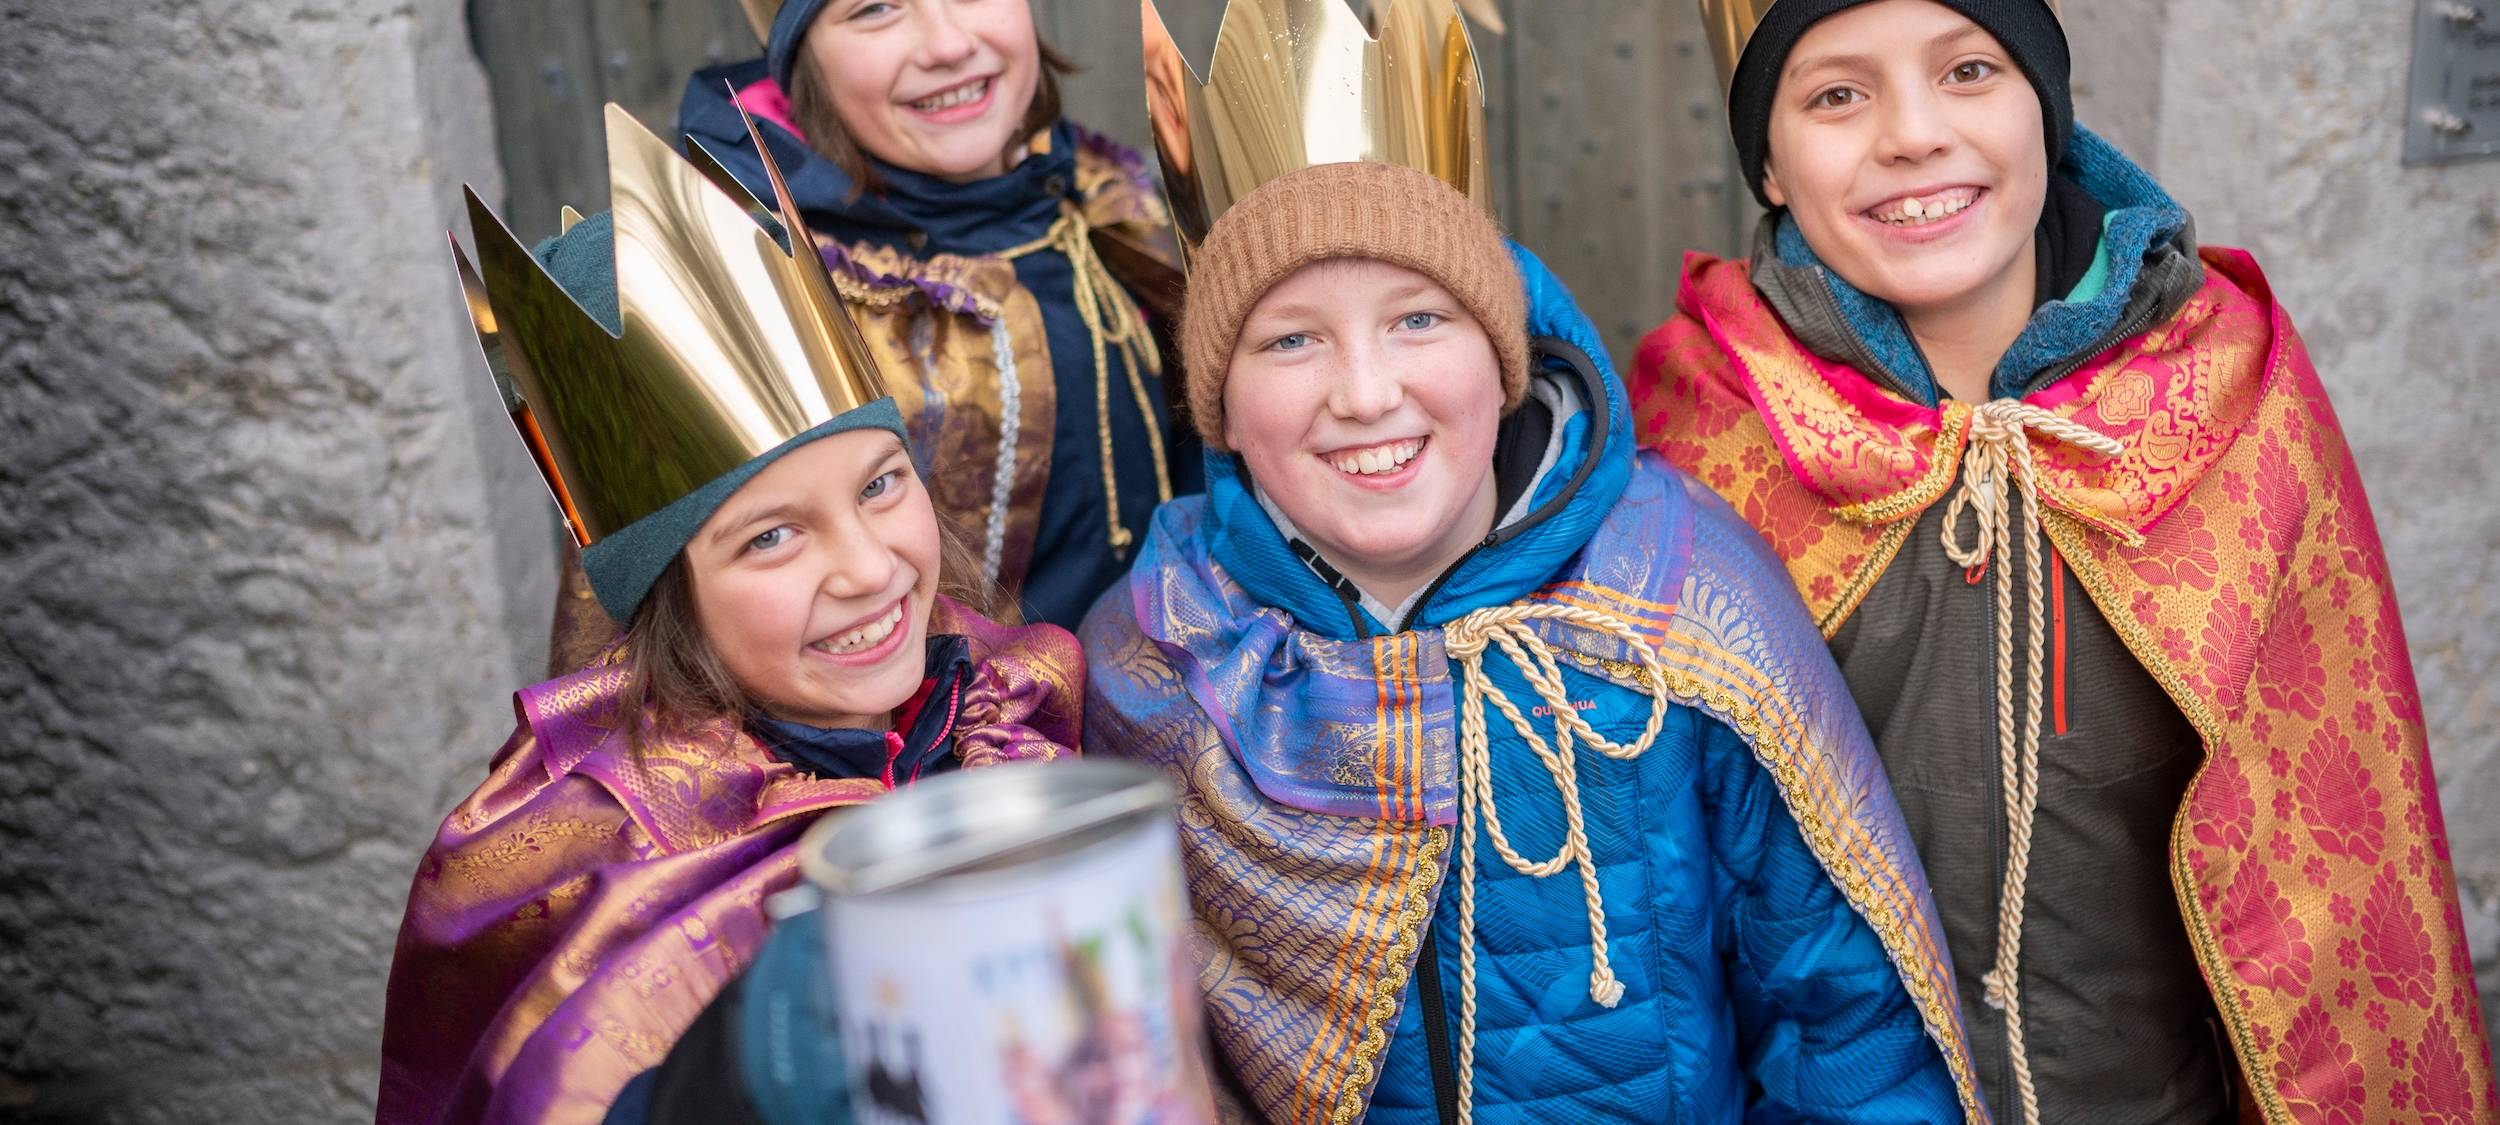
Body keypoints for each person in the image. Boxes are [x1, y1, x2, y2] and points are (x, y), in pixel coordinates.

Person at [1082, 1, 1983, 1120]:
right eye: (1291, 339)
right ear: (1220, 399)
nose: (1365, 392)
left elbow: (1838, 1018)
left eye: (1418, 319)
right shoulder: (1155, 652)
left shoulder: (1678, 588)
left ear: (1501, 351)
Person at [1633, 1, 2496, 1121]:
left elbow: (2341, 849)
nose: (1912, 134)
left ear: (2045, 110)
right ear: (1768, 166)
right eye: (1837, 94)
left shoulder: (2231, 399)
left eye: (1968, 71)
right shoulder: (1699, 436)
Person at [375, 105, 1083, 1125]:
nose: (868, 567)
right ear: (672, 596)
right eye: (772, 537)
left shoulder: (1015, 703)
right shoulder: (585, 858)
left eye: (880, 484)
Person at [631, 0, 1197, 646]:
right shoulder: (765, 293)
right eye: (875, 8)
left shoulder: (1102, 195)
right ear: (802, 59)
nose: (948, 45)